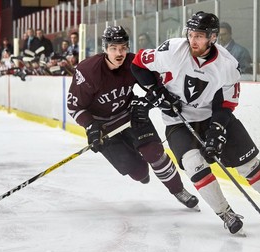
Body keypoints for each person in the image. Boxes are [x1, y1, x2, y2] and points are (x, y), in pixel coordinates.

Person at [131, 11, 260, 234]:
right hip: (178, 120)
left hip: (212, 116)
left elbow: (226, 104)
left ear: (212, 37)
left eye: (199, 35)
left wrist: (217, 130)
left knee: (248, 164)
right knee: (194, 163)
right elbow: (137, 64)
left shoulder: (227, 64)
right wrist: (157, 91)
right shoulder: (173, 49)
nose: (193, 40)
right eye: (191, 34)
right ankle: (226, 213)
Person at [67, 26, 199, 209]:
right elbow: (74, 106)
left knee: (154, 153)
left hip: (130, 115)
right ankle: (140, 170)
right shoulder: (88, 71)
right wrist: (90, 126)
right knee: (138, 172)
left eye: (123, 48)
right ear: (105, 48)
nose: (119, 53)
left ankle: (178, 190)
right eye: (113, 48)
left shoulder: (134, 62)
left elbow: (156, 88)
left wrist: (148, 103)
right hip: (104, 127)